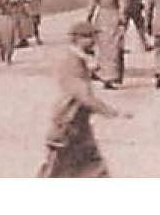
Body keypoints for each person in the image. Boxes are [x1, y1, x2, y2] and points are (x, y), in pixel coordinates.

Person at [38, 20, 131, 177]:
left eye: (93, 36)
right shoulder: (72, 62)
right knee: (55, 172)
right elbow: (84, 97)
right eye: (88, 37)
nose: (93, 41)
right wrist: (113, 113)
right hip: (68, 124)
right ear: (76, 39)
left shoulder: (78, 59)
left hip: (78, 125)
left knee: (93, 171)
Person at [86, 0, 127, 88]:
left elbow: (91, 5)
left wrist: (89, 18)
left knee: (102, 47)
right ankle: (111, 75)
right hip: (113, 16)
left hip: (101, 16)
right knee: (113, 47)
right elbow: (123, 6)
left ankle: (102, 72)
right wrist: (122, 20)